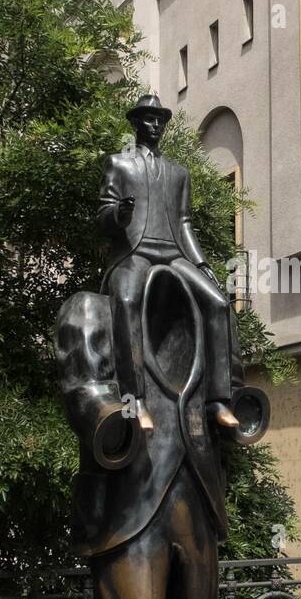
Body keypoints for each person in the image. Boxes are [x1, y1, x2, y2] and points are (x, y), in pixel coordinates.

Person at [96, 92, 239, 433]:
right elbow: (102, 215)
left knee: (218, 303)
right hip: (135, 252)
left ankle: (218, 400)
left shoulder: (179, 173)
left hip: (174, 254)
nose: (155, 125)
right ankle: (136, 401)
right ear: (135, 123)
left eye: (160, 120)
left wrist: (203, 265)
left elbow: (186, 222)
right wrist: (119, 213)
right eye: (149, 118)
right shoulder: (119, 164)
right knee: (127, 301)